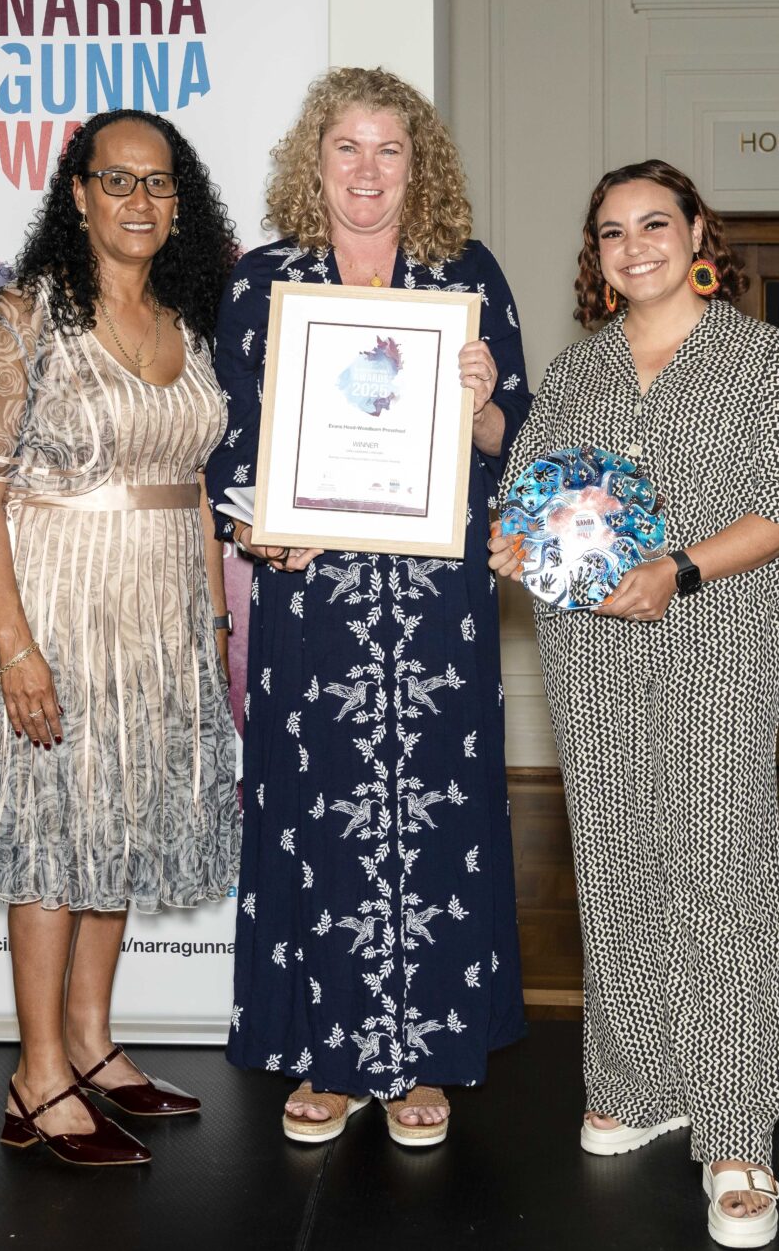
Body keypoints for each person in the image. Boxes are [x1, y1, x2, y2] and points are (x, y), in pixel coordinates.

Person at [490, 160, 779, 1249]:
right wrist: (514, 543)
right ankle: (638, 1082)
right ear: (594, 256)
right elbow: (529, 498)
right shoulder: (577, 369)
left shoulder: (758, 357)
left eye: (653, 223)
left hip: (714, 635)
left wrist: (678, 570)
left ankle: (737, 1129)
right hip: (588, 646)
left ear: (696, 235)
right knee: (614, 854)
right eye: (611, 231)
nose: (633, 245)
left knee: (719, 862)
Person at [215, 67, 529, 1147]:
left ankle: (421, 1057)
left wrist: (483, 406)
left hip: (437, 603)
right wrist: (259, 528)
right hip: (313, 598)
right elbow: (231, 445)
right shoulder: (264, 282)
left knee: (436, 816)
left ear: (416, 165)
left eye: (388, 148)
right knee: (321, 816)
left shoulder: (466, 274)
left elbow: (516, 437)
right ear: (314, 162)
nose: (366, 169)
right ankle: (333, 1056)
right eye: (345, 146)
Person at [0, 108, 243, 1166]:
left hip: (161, 618)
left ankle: (88, 1041)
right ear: (77, 194)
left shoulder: (185, 321)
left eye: (158, 183)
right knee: (52, 831)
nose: (138, 200)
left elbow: (194, 487)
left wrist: (212, 621)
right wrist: (15, 645)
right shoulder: (26, 317)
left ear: (179, 203)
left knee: (118, 823)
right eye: (117, 179)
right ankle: (36, 1077)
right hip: (57, 609)